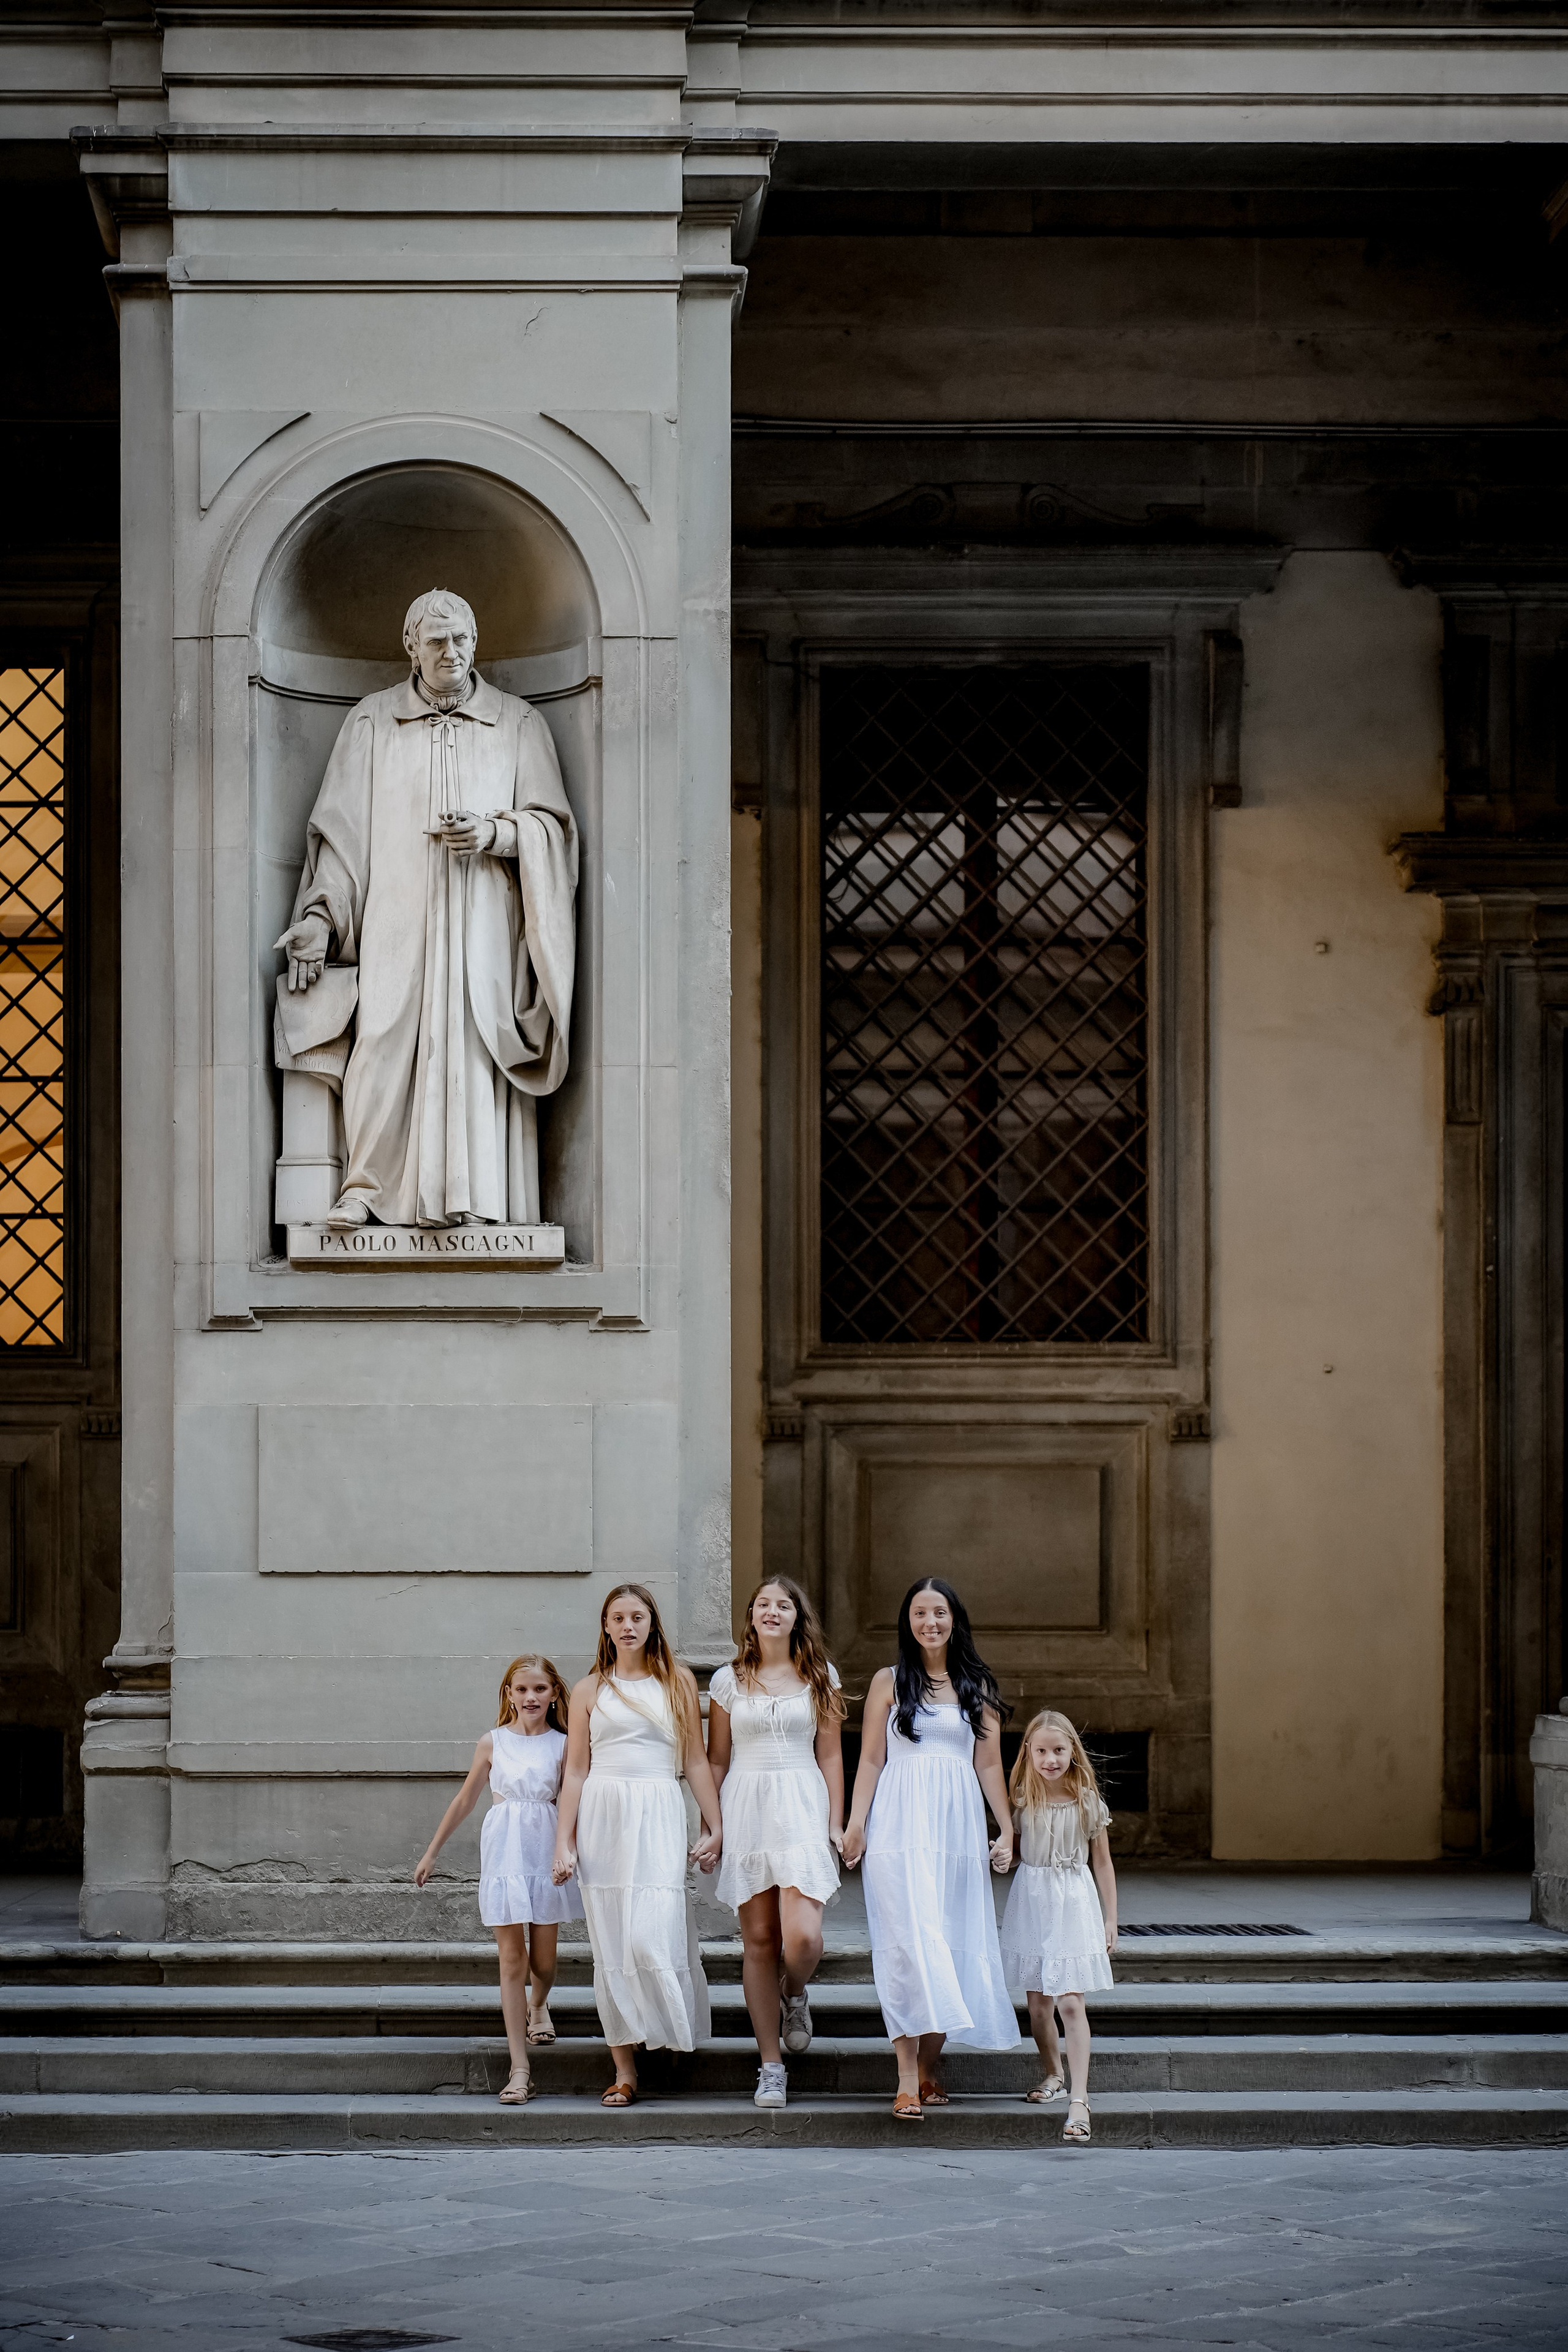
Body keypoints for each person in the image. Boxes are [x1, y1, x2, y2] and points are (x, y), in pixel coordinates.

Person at [275, 587, 577, 1231]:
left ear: (477, 644)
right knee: (381, 1041)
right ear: (410, 646)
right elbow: (342, 838)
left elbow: (554, 829)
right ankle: (366, 1187)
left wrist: (497, 834)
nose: (452, 652)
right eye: (437, 640)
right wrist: (320, 921)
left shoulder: (519, 724)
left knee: (472, 1047)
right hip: (394, 919)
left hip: (484, 925)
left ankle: (481, 1198)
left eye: (462, 639)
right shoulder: (370, 723)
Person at [842, 1578, 1017, 2122]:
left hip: (957, 1830)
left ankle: (928, 2065)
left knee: (950, 1939)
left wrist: (1007, 1829)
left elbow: (988, 1765)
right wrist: (855, 1823)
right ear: (908, 1622)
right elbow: (870, 1759)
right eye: (920, 1613)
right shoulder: (888, 1682)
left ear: (954, 1619)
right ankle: (904, 2079)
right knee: (908, 1942)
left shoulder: (976, 1685)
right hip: (898, 1823)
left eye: (939, 1613)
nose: (930, 1623)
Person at [552, 1583, 723, 2106]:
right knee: (612, 1944)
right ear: (606, 1627)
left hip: (658, 1810)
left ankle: (667, 2028)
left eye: (638, 1617)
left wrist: (714, 1825)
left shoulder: (677, 1683)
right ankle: (624, 2068)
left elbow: (695, 1760)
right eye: (618, 1617)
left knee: (652, 1934)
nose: (628, 1625)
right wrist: (565, 1840)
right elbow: (576, 1771)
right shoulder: (588, 1690)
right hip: (604, 1815)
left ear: (653, 1625)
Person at [414, 1651, 582, 2106]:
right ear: (509, 1693)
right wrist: (432, 1852)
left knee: (543, 1964)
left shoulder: (563, 1744)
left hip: (546, 1851)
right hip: (505, 1853)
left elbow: (572, 1800)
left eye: (540, 1689)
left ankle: (538, 2003)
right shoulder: (493, 1742)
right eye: (522, 1689)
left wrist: (569, 1849)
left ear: (553, 1694)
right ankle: (520, 2067)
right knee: (512, 1960)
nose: (531, 1697)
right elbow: (467, 1799)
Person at [707, 1576, 846, 2111]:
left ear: (796, 1618)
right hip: (746, 1806)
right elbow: (717, 1759)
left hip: (802, 1806)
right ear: (751, 1616)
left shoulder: (820, 1676)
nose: (772, 1611)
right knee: (760, 1941)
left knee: (803, 1937)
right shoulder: (728, 1681)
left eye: (783, 1605)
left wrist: (837, 1822)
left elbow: (831, 1755)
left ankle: (794, 1994)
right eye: (763, 1604)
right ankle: (770, 2066)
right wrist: (710, 1825)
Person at [998, 1708, 1118, 2144]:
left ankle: (1080, 2100)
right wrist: (1001, 1856)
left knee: (1071, 2003)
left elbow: (1102, 1864)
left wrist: (1110, 1918)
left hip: (1074, 1902)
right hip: (1032, 1902)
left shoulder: (1087, 1800)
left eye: (1059, 1750)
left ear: (1073, 1751)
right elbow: (1009, 1850)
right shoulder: (1020, 1798)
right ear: (1028, 1752)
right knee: (1038, 2007)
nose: (1051, 1759)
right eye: (1042, 1751)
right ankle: (1054, 2073)